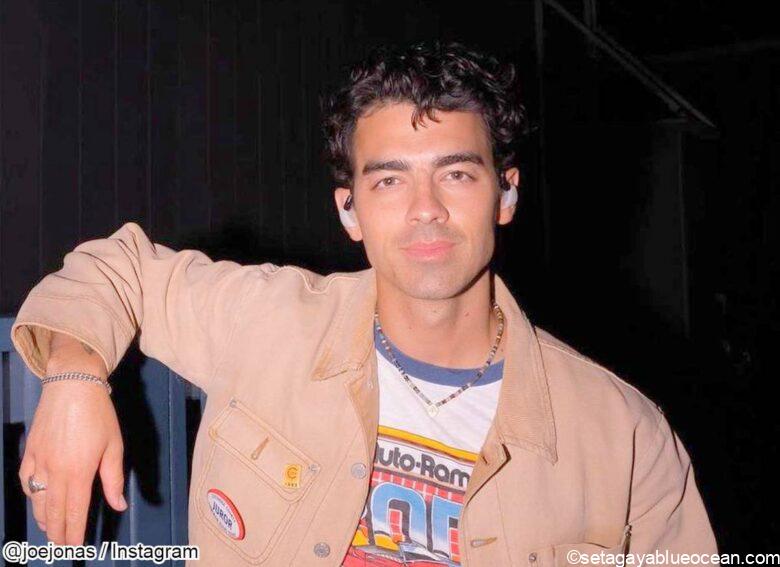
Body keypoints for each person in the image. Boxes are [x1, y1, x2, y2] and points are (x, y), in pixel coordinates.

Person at [11, 41, 717, 565]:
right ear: (349, 210)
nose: (425, 209)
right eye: (388, 182)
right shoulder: (269, 321)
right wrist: (74, 378)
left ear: (506, 194)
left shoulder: (623, 436)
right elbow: (118, 268)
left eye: (457, 174)